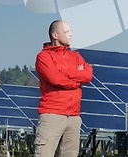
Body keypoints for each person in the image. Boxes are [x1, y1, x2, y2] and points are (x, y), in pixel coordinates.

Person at [34, 20, 93, 157]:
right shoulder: (44, 57)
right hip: (52, 115)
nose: (71, 34)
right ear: (55, 35)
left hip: (73, 117)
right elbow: (55, 79)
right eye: (67, 31)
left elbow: (88, 74)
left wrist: (66, 74)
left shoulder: (76, 56)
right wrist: (76, 80)